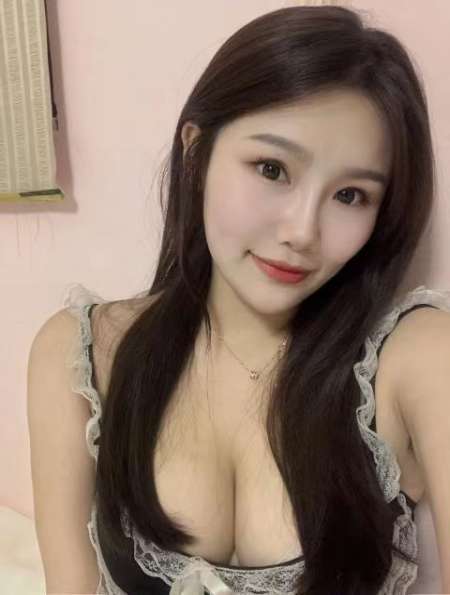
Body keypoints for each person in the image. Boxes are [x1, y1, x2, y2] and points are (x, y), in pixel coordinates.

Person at [27, 4, 450, 595]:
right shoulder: (79, 354)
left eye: (350, 195)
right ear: (196, 154)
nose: (302, 231)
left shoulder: (417, 357)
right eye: (271, 168)